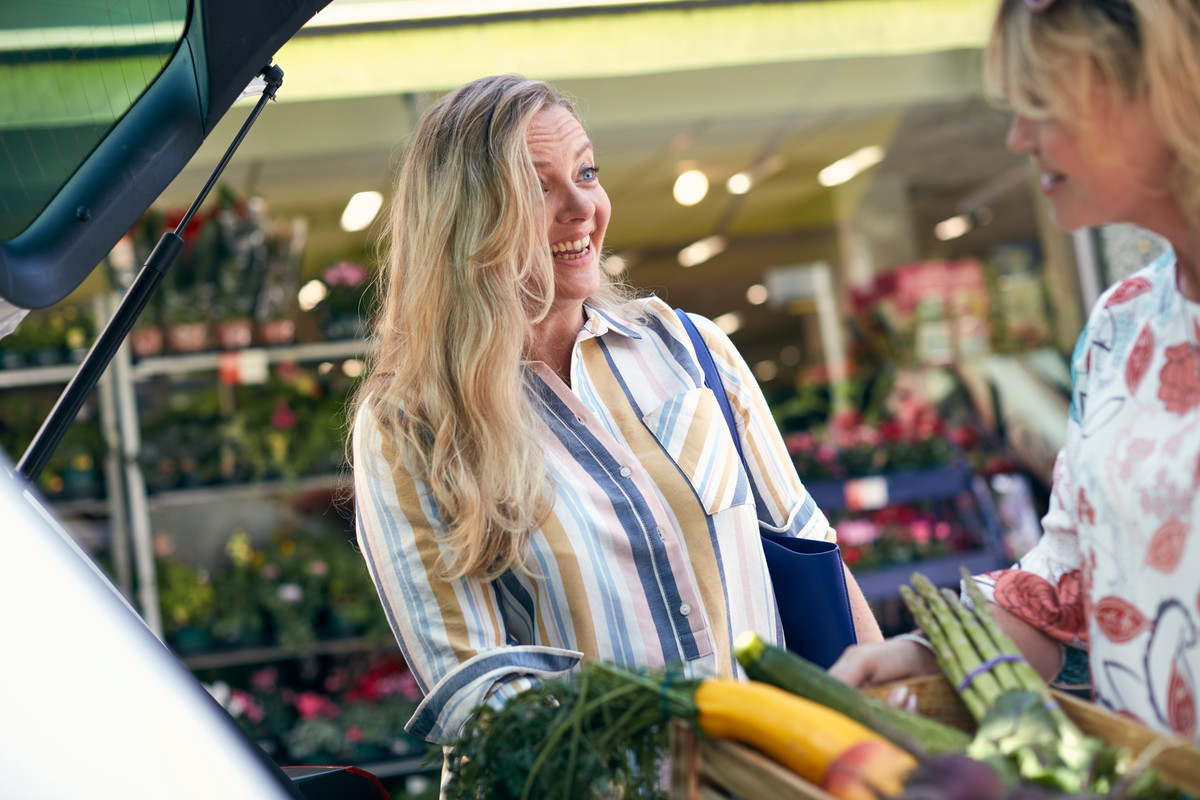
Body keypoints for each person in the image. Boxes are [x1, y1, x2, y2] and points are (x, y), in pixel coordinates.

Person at [350, 74, 883, 746]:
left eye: (587, 172)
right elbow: (480, 696)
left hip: (773, 777)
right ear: (464, 221)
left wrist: (897, 733)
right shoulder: (412, 426)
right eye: (537, 187)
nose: (582, 207)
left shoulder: (692, 352)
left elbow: (814, 556)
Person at [830, 0, 1200, 743]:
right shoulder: (1123, 322)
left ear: (1158, 90)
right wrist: (923, 649)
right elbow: (1070, 587)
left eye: (1041, 105)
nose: (1017, 136)